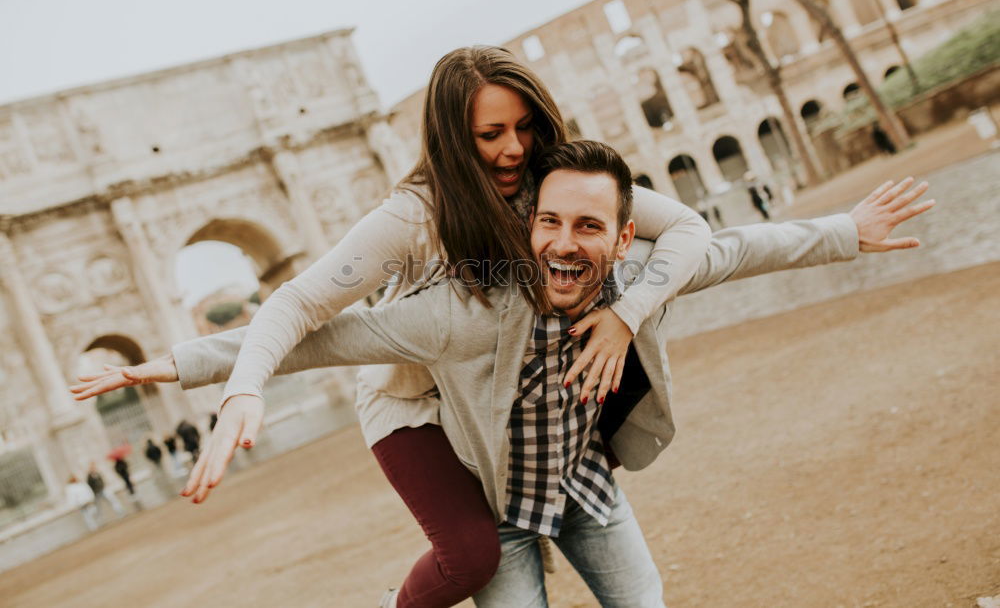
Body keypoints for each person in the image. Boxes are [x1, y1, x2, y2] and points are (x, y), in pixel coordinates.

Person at [76, 142, 932, 606]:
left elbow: (740, 247)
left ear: (624, 239)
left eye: (588, 226)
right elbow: (327, 333)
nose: (565, 241)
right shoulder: (464, 308)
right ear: (526, 232)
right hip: (495, 501)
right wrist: (180, 365)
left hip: (585, 484)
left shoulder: (640, 281)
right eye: (548, 222)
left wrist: (847, 230)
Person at [76, 46, 712, 608]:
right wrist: (241, 382)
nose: (514, 148)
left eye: (525, 127)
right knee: (473, 551)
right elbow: (303, 305)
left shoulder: (555, 179)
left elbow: (688, 227)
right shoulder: (413, 216)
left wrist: (625, 316)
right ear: (451, 140)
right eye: (490, 133)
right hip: (413, 396)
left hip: (502, 398)